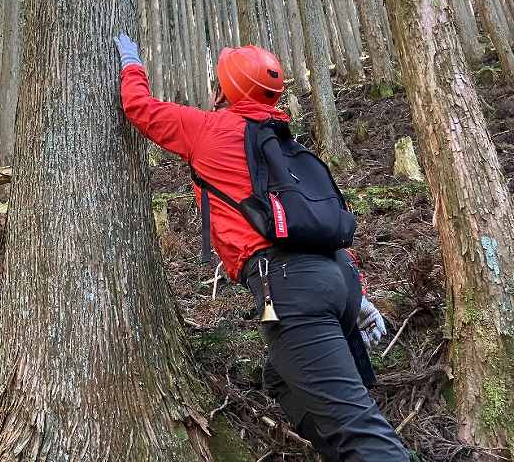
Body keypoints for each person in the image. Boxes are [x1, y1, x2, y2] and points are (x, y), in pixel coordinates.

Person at [114, 33, 408, 461]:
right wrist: (357, 295)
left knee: (359, 428)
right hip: (336, 279)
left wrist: (131, 63)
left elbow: (140, 109)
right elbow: (315, 220)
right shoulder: (284, 142)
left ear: (224, 90)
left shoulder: (210, 129)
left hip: (291, 291)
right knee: (282, 381)